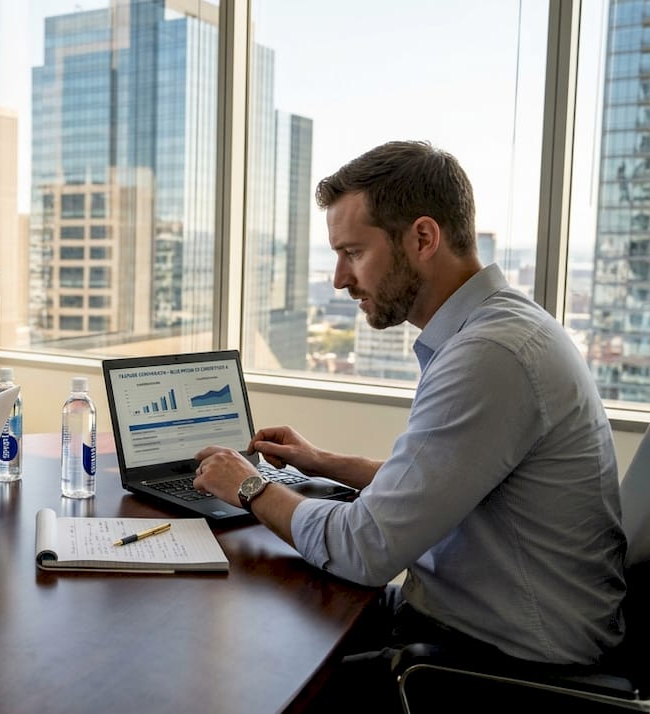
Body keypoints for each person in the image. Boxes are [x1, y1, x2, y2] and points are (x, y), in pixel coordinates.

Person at [192, 141, 625, 698]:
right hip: (487, 624)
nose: (339, 279)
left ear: (423, 238)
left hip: (508, 666)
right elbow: (442, 481)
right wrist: (321, 462)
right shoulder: (500, 329)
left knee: (253, 678)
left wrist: (249, 485)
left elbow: (365, 548)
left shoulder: (492, 355)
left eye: (352, 252)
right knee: (274, 608)